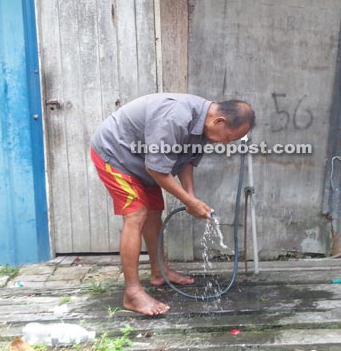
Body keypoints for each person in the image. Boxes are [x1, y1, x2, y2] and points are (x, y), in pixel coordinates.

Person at [90, 93, 255, 316]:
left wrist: (192, 198)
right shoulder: (175, 116)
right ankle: (132, 293)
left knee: (154, 212)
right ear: (219, 121)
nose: (225, 143)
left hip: (143, 161)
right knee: (137, 214)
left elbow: (185, 161)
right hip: (116, 154)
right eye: (228, 138)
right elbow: (157, 169)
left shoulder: (203, 128)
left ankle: (159, 272)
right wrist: (189, 201)